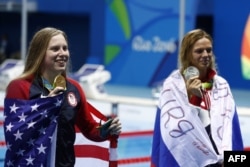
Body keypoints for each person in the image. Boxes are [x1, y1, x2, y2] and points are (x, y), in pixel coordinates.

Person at [3, 27, 122, 167]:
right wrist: (46, 105)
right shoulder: (19, 87)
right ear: (39, 53)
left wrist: (104, 131)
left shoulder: (74, 89)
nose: (62, 53)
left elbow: (89, 128)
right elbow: (15, 135)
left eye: (65, 48)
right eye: (55, 49)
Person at [151, 29, 243, 167]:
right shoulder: (173, 86)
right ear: (187, 54)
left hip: (222, 160)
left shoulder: (221, 85)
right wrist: (191, 99)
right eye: (199, 51)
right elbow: (173, 132)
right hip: (190, 159)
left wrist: (232, 160)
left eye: (209, 50)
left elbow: (231, 130)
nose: (206, 55)